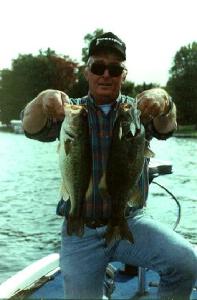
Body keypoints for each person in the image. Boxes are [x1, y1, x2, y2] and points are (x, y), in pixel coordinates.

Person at [21, 32, 197, 299]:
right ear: (87, 72)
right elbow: (30, 127)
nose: (106, 74)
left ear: (123, 75)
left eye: (114, 69)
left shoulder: (138, 110)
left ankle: (103, 273)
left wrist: (165, 102)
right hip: (80, 226)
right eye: (98, 67)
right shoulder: (71, 112)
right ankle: (101, 275)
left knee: (186, 263)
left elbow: (166, 128)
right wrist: (43, 99)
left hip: (130, 219)